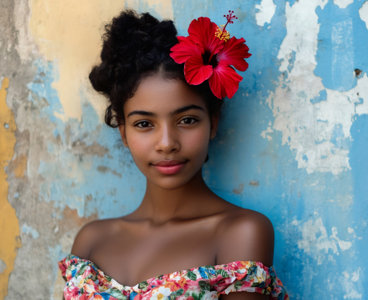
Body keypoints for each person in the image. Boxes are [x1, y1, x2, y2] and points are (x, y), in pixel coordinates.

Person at [58, 9, 288, 300]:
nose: (166, 143)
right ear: (124, 133)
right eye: (144, 124)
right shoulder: (91, 242)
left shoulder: (240, 233)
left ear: (213, 124)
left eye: (187, 120)